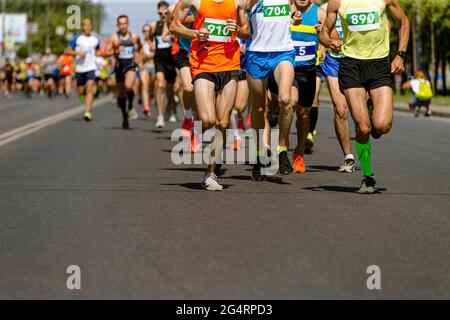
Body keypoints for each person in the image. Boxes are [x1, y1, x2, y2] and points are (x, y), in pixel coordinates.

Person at [320, 0, 410, 194]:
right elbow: (323, 34)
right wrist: (331, 42)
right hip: (351, 66)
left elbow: (404, 22)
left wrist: (401, 55)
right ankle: (368, 177)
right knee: (363, 127)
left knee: (382, 125)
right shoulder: (337, 2)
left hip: (378, 66)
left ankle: (371, 109)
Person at [171, 0, 250, 191]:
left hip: (230, 65)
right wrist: (194, 33)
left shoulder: (239, 2)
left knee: (222, 122)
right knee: (207, 121)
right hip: (203, 64)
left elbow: (246, 31)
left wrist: (237, 29)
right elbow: (173, 25)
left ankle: (211, 172)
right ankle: (196, 119)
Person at [246, 0, 302, 180]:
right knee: (259, 108)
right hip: (257, 53)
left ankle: (282, 150)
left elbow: (292, 11)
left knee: (285, 99)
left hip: (283, 52)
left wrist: (295, 16)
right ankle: (260, 155)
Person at [318, 1, 355, 172]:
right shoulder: (323, 10)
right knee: (340, 109)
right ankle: (348, 156)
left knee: (361, 112)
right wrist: (326, 43)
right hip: (334, 62)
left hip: (357, 61)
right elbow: (322, 36)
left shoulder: (361, 5)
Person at [170, 2, 199, 152]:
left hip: (204, 53)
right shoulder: (184, 2)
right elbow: (173, 20)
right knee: (188, 88)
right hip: (184, 52)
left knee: (201, 96)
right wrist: (196, 18)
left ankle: (196, 133)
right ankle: (187, 117)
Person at [106, 15, 142, 129]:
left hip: (130, 65)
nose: (123, 26)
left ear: (128, 24)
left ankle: (131, 105)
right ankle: (124, 115)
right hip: (119, 67)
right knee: (121, 95)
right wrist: (115, 49)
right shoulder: (114, 37)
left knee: (128, 86)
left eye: (124, 23)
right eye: (120, 24)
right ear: (117, 25)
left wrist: (138, 58)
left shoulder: (134, 36)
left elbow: (140, 46)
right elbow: (106, 52)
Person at [66, 19, 102, 122]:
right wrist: (77, 53)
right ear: (82, 27)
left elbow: (98, 51)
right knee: (80, 91)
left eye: (89, 25)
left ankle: (87, 112)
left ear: (91, 27)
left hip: (91, 68)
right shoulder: (77, 38)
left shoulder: (95, 39)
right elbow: (67, 50)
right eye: (85, 25)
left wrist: (104, 55)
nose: (87, 27)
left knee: (90, 87)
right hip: (79, 69)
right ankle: (83, 97)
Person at [151, 1, 177, 128]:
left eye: (165, 13)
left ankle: (172, 110)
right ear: (157, 13)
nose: (163, 15)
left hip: (171, 60)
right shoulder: (153, 26)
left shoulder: (173, 25)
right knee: (160, 85)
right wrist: (150, 44)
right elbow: (149, 39)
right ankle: (160, 116)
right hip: (159, 59)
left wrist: (172, 35)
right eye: (160, 13)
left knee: (171, 90)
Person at [141, 24, 156, 117]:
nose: (146, 33)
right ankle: (146, 107)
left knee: (152, 89)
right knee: (144, 86)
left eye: (148, 31)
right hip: (145, 66)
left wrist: (151, 54)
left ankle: (151, 98)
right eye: (144, 31)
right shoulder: (141, 43)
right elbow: (140, 55)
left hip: (154, 66)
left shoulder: (155, 42)